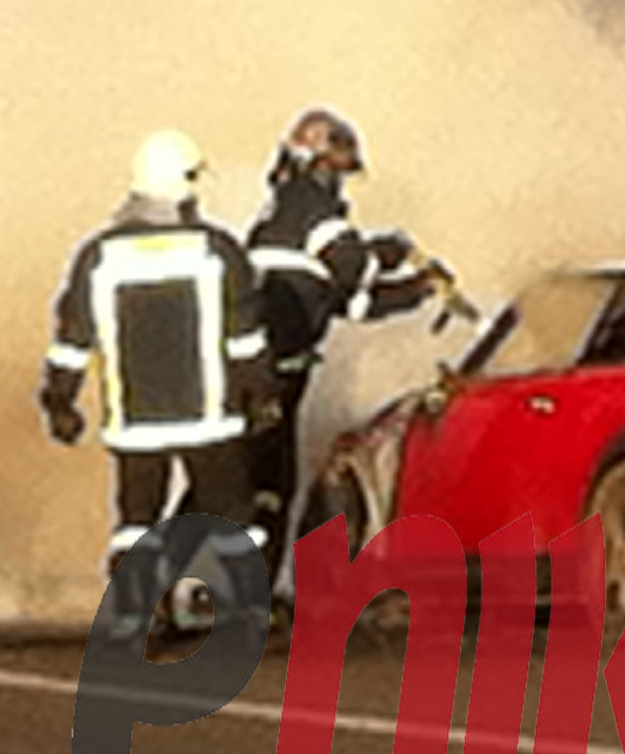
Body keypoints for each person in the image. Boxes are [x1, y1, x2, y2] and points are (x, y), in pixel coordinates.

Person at [39, 129, 276, 622]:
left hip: (135, 420)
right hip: (210, 417)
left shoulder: (98, 256)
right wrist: (263, 393)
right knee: (232, 512)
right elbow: (245, 337)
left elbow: (72, 340)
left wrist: (59, 401)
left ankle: (139, 598)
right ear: (188, 181)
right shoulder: (216, 250)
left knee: (136, 518)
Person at [241, 106, 471, 572]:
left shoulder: (283, 213)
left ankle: (221, 589)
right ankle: (243, 596)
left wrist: (416, 290)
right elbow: (353, 267)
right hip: (272, 375)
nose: (340, 184)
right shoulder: (309, 205)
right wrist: (393, 251)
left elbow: (348, 302)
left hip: (269, 371)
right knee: (265, 485)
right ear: (316, 163)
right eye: (336, 171)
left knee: (248, 480)